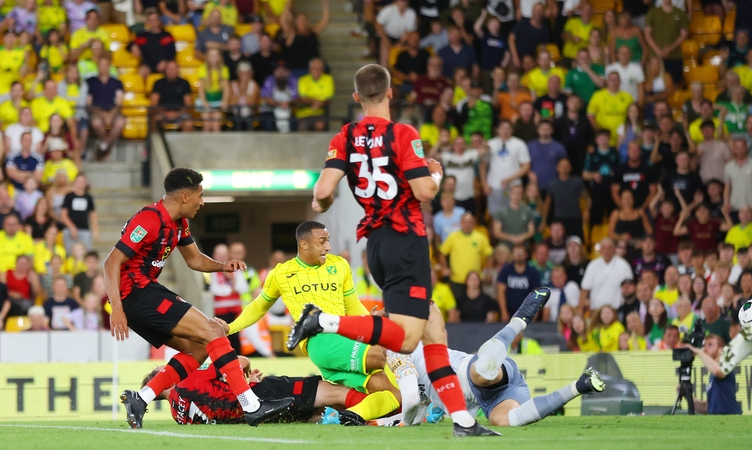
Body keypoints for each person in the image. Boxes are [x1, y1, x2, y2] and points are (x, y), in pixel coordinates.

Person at [301, 64, 496, 436]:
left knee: (433, 329)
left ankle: (463, 421)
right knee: (407, 339)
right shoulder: (403, 134)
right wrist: (435, 172)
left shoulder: (346, 135)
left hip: (376, 242)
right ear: (390, 93)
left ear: (357, 98)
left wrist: (321, 207)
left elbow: (322, 193)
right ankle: (323, 321)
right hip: (406, 241)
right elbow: (425, 192)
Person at [106, 168, 286, 429]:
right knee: (213, 330)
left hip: (142, 297)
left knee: (199, 347)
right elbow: (111, 262)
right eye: (200, 195)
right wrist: (117, 309)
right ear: (184, 196)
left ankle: (141, 398)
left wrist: (222, 266)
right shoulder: (149, 219)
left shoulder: (179, 224)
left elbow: (195, 260)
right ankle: (251, 405)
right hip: (136, 295)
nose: (202, 202)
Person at [217, 221, 402, 422]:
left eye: (328, 241)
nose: (328, 247)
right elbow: (258, 306)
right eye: (322, 242)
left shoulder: (339, 265)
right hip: (320, 341)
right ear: (304, 245)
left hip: (343, 342)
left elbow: (352, 306)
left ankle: (349, 418)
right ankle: (418, 392)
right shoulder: (282, 273)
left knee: (392, 393)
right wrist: (230, 327)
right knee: (383, 353)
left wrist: (371, 324)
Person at [387, 294, 605, 427]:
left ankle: (519, 320)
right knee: (502, 421)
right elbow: (418, 406)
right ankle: (580, 386)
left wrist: (404, 421)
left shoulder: (401, 348)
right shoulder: (402, 356)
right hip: (492, 399)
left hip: (481, 372)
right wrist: (434, 408)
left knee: (481, 371)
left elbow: (412, 398)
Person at [145, 355, 386, 425]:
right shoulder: (189, 378)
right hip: (265, 397)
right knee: (334, 392)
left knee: (320, 411)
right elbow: (239, 362)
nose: (170, 368)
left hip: (258, 417)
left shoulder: (178, 416)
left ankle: (375, 420)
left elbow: (217, 400)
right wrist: (246, 375)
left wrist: (241, 383)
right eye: (164, 369)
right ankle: (388, 413)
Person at [480, 120, 530, 216]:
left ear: (512, 130)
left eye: (508, 128)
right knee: (495, 215)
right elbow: (483, 166)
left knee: (514, 214)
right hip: (494, 186)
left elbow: (526, 166)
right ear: (498, 130)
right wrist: (484, 184)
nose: (505, 131)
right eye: (502, 128)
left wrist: (510, 178)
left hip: (514, 186)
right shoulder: (490, 144)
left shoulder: (519, 144)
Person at [439, 213, 493, 301]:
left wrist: (489, 272)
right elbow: (442, 252)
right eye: (464, 222)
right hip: (457, 280)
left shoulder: (480, 237)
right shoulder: (452, 237)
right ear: (460, 223)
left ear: (474, 223)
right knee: (457, 306)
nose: (467, 224)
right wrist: (445, 267)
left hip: (475, 281)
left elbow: (489, 254)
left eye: (470, 222)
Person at [687, 334, 742, 415]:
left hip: (731, 418)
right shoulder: (712, 376)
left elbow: (717, 371)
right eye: (703, 345)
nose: (705, 349)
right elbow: (705, 408)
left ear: (721, 350)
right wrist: (687, 395)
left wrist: (699, 352)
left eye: (710, 345)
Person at [580, 238, 633, 312]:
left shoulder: (624, 265)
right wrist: (580, 310)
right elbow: (585, 289)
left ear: (614, 250)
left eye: (609, 248)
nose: (607, 251)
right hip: (596, 311)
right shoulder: (592, 266)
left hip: (617, 310)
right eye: (604, 248)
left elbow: (630, 289)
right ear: (600, 250)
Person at [86, 56, 125, 158]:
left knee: (120, 122)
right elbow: (89, 103)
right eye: (101, 65)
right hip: (97, 112)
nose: (103, 67)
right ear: (97, 67)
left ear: (109, 67)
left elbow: (119, 103)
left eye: (105, 65)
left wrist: (110, 115)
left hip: (113, 112)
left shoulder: (117, 83)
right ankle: (107, 145)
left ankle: (104, 145)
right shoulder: (91, 82)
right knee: (96, 123)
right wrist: (102, 114)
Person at [643, 0, 688, 84]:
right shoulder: (653, 12)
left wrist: (670, 48)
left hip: (675, 56)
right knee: (654, 85)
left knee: (675, 85)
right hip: (655, 59)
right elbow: (647, 33)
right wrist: (657, 50)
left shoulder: (681, 14)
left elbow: (684, 34)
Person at [587, 72, 633, 147]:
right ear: (607, 81)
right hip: (604, 139)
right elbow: (590, 116)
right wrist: (600, 132)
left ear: (620, 81)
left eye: (616, 80)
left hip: (622, 138)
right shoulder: (597, 96)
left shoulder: (628, 97)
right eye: (611, 80)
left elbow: (633, 116)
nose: (613, 82)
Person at [497, 244, 541, 323]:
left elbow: (537, 296)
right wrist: (503, 312)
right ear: (512, 255)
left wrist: (533, 315)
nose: (518, 256)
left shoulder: (533, 272)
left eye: (521, 253)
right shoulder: (506, 270)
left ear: (526, 254)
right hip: (509, 312)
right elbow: (500, 292)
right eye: (516, 253)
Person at [150, 60, 194, 132]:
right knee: (155, 120)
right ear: (165, 70)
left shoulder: (184, 83)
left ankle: (184, 143)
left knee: (188, 124)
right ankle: (156, 142)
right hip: (162, 113)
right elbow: (154, 104)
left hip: (180, 113)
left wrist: (177, 113)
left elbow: (188, 104)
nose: (171, 71)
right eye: (169, 69)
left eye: (174, 69)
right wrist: (166, 113)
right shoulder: (158, 83)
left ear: (178, 70)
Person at [130, 10, 176, 75]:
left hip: (164, 63)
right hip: (147, 64)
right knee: (141, 72)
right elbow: (129, 45)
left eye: (155, 20)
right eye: (151, 20)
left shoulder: (166, 36)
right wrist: (133, 46)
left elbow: (172, 52)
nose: (153, 22)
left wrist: (165, 61)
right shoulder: (142, 36)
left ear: (159, 20)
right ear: (147, 22)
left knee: (171, 68)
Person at [492, 183, 535, 250]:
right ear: (509, 194)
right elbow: (497, 232)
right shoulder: (501, 212)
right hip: (505, 247)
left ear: (522, 195)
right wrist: (512, 238)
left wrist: (522, 237)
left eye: (519, 193)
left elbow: (531, 231)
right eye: (514, 193)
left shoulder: (527, 210)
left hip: (523, 247)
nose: (516, 196)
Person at [295, 58, 334, 131]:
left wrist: (312, 100)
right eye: (315, 68)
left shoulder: (328, 79)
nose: (317, 71)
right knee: (303, 127)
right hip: (304, 113)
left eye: (320, 69)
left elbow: (328, 97)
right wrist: (316, 101)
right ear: (310, 69)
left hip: (320, 112)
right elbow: (303, 98)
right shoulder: (302, 80)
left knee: (320, 125)